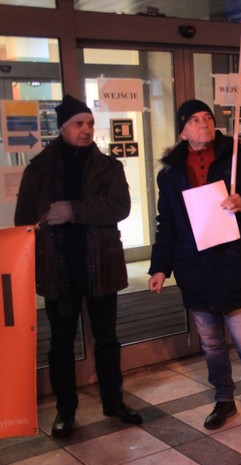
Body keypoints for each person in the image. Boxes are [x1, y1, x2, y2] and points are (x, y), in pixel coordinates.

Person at [147, 99, 241, 443]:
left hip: (236, 262)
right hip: (194, 267)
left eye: (207, 117)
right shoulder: (170, 174)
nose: (204, 123)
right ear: (182, 131)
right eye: (194, 119)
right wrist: (160, 267)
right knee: (210, 343)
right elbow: (167, 224)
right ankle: (224, 400)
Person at [15, 94, 143, 438]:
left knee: (107, 340)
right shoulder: (39, 170)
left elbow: (120, 207)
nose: (86, 129)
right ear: (62, 128)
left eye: (89, 123)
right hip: (57, 269)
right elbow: (24, 222)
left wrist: (75, 210)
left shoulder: (108, 167)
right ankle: (65, 410)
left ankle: (113, 401)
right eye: (78, 124)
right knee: (60, 344)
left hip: (100, 265)